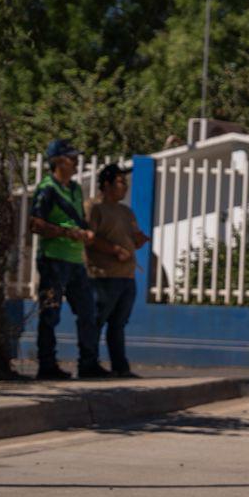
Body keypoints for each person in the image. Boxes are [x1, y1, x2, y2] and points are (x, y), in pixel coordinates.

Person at [28, 139, 104, 380]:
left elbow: (78, 220)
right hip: (53, 258)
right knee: (50, 313)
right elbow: (35, 223)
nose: (76, 163)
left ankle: (88, 363)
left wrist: (86, 232)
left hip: (74, 259)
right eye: (72, 159)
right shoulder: (47, 188)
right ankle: (47, 365)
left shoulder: (74, 189)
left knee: (88, 311)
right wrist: (65, 232)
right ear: (58, 161)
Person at [86, 162, 150, 378]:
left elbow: (133, 236)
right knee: (96, 321)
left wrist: (139, 241)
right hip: (104, 275)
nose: (125, 187)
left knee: (118, 324)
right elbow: (89, 239)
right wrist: (115, 250)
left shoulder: (126, 211)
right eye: (121, 182)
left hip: (126, 276)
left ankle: (120, 366)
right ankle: (89, 364)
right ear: (106, 184)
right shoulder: (94, 208)